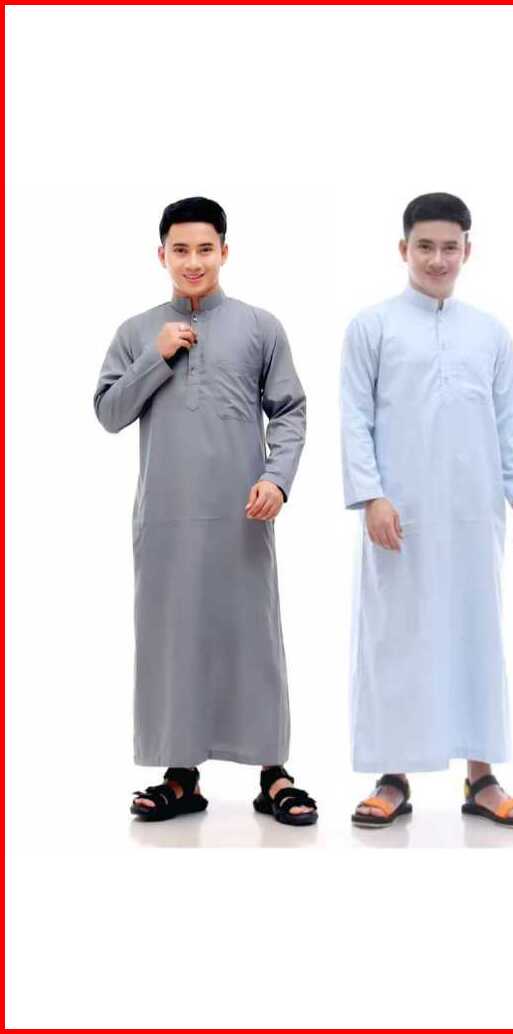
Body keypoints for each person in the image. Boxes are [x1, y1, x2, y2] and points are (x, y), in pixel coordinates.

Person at [95, 196, 317, 826]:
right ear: (161, 254)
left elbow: (290, 410)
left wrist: (277, 479)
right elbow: (109, 413)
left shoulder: (260, 326)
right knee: (171, 639)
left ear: (225, 251)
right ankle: (180, 774)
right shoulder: (137, 331)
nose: (193, 262)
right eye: (180, 250)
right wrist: (157, 356)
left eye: (205, 249)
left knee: (254, 638)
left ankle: (273, 772)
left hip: (242, 516)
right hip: (165, 518)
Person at [340, 192, 513, 828]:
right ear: (403, 249)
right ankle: (392, 776)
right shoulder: (371, 327)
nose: (437, 259)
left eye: (449, 247)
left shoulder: (489, 332)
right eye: (424, 246)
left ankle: (482, 778)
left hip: (472, 510)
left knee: (476, 633)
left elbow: (508, 418)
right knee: (395, 638)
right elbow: (354, 418)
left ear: (467, 251)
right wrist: (371, 495)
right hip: (399, 515)